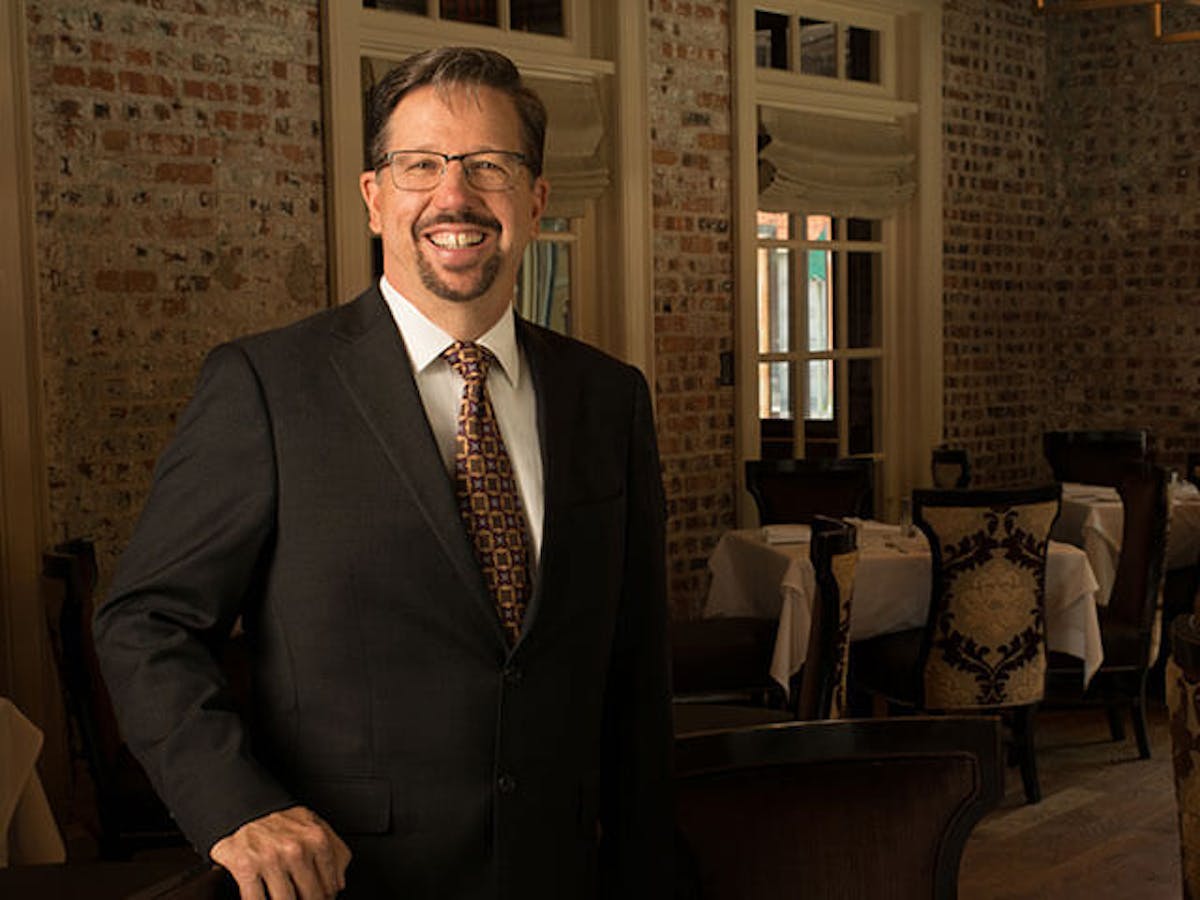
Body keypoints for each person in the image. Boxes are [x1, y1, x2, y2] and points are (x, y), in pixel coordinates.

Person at [94, 46, 674, 899]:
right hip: (351, 882)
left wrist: (651, 868)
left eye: (491, 165)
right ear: (374, 198)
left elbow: (636, 665)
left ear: (536, 200)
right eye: (421, 165)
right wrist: (235, 808)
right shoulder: (267, 386)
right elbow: (145, 623)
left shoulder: (609, 397)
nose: (455, 196)